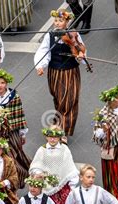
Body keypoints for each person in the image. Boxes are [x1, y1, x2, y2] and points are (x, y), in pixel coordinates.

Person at [34, 9, 84, 137]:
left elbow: (80, 48)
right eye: (56, 20)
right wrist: (40, 66)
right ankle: (57, 123)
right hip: (54, 72)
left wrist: (80, 57)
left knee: (70, 101)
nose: (57, 23)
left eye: (60, 21)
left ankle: (63, 132)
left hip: (70, 72)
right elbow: (43, 52)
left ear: (67, 22)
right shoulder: (49, 35)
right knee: (59, 99)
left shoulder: (73, 34)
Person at [30, 125, 79, 204]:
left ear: (59, 138)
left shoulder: (64, 149)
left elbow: (70, 167)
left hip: (61, 186)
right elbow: (35, 166)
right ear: (46, 137)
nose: (52, 140)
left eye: (55, 137)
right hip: (46, 187)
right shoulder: (41, 150)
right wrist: (38, 173)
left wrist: (73, 186)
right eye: (50, 137)